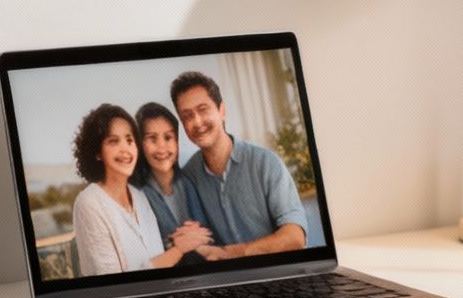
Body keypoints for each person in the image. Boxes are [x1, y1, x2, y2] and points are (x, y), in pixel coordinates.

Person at [171, 70, 309, 260]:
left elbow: (295, 237)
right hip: (227, 281)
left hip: (278, 273)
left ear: (221, 110)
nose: (197, 122)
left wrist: (235, 253)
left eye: (203, 110)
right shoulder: (189, 176)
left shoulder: (266, 163)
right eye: (187, 116)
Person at [68, 103, 206, 277]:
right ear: (97, 152)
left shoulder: (139, 197)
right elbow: (112, 285)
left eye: (129, 140)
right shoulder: (89, 203)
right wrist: (178, 249)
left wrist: (177, 241)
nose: (125, 149)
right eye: (113, 141)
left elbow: (156, 259)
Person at [130, 102, 214, 262]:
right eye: (152, 139)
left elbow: (205, 234)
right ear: (140, 145)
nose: (162, 147)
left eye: (168, 138)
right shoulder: (136, 193)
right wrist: (175, 243)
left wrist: (186, 240)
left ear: (177, 142)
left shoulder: (189, 182)